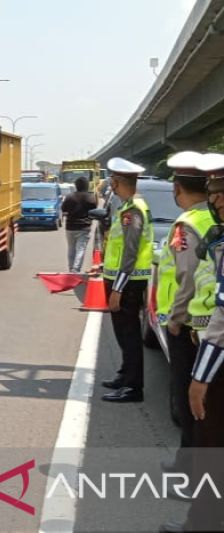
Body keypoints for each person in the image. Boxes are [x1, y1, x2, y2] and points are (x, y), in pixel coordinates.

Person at [161, 153, 224, 533]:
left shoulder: (188, 223)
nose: (215, 200)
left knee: (209, 441)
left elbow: (221, 312)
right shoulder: (213, 228)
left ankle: (200, 524)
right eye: (213, 191)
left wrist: (200, 377)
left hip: (208, 341)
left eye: (221, 192)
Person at [155, 152, 215, 479]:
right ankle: (185, 465)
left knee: (189, 403)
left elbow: (186, 277)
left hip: (190, 326)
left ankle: (190, 473)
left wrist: (175, 320)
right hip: (208, 327)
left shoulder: (187, 223)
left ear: (178, 188)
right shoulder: (213, 219)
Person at [100, 157, 153, 403]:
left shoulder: (133, 210)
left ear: (117, 181)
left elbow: (130, 252)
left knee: (129, 335)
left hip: (128, 283)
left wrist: (117, 289)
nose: (110, 184)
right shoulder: (126, 207)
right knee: (122, 333)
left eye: (112, 180)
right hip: (120, 279)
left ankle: (133, 388)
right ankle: (124, 375)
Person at [61, 176, 97, 272]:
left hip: (70, 227)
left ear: (76, 186)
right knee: (80, 249)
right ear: (87, 186)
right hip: (84, 227)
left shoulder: (69, 197)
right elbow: (94, 212)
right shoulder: (91, 197)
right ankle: (76, 269)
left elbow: (63, 209)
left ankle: (71, 268)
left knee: (71, 249)